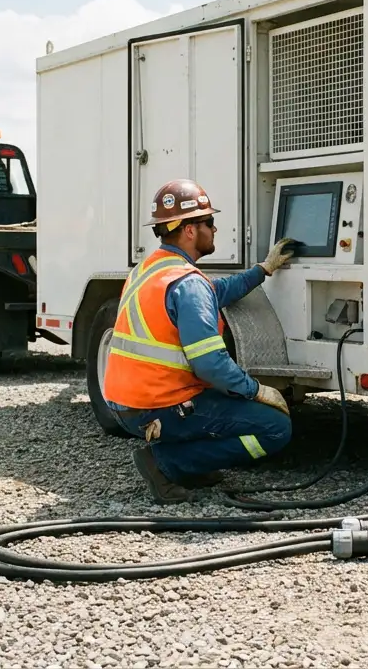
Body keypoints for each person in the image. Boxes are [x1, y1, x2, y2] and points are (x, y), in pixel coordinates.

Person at [102, 178, 300, 504]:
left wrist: (262, 270)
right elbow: (210, 364)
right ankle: (167, 464)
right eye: (209, 222)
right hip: (159, 405)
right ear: (190, 230)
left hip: (128, 404)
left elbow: (216, 292)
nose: (214, 229)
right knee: (276, 427)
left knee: (221, 407)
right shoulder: (187, 283)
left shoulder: (150, 270)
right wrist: (257, 390)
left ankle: (191, 461)